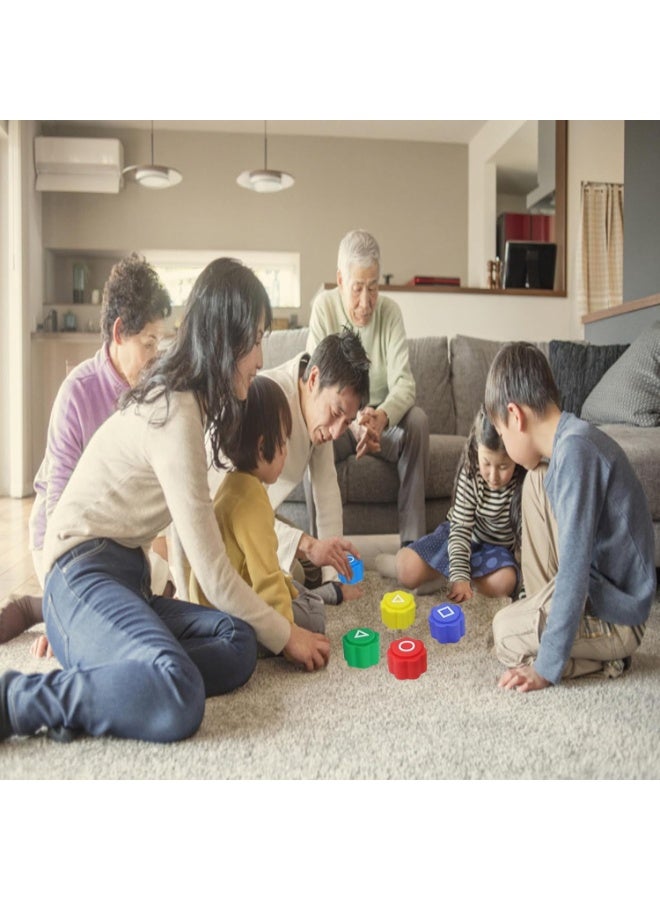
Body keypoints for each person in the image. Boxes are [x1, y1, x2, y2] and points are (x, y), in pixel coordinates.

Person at [0, 258, 330, 745]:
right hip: (80, 575)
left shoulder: (191, 405)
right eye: (257, 339)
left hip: (126, 578)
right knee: (180, 695)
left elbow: (184, 530)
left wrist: (267, 630)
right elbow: (215, 573)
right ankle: (19, 700)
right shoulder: (175, 412)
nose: (261, 358)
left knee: (238, 641)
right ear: (228, 338)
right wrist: (289, 634)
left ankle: (117, 678)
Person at [0, 253, 173, 655]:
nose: (156, 354)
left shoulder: (151, 392)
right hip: (65, 533)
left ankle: (43, 606)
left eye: (160, 342)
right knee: (109, 614)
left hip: (120, 532)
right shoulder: (77, 393)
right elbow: (58, 512)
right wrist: (64, 599)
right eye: (148, 342)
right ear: (118, 333)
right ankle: (41, 605)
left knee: (161, 588)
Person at [484, 341, 656, 692]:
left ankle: (602, 657)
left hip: (616, 617)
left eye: (502, 433)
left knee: (504, 635)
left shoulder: (577, 454)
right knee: (535, 479)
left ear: (515, 416)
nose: (506, 445)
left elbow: (575, 569)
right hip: (595, 590)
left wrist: (545, 667)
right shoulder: (568, 443)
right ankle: (544, 616)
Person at [185, 327, 371, 599]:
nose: (335, 432)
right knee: (289, 579)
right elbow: (220, 504)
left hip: (259, 516)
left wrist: (336, 577)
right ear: (314, 378)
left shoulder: (320, 420)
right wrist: (306, 545)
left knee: (301, 572)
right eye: (335, 413)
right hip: (220, 523)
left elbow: (327, 492)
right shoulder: (264, 400)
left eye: (347, 423)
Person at [190, 376, 361, 633]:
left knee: (294, 585)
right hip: (226, 615)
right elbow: (268, 580)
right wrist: (289, 636)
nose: (286, 451)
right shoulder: (253, 502)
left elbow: (267, 569)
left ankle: (327, 592)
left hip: (219, 602)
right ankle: (326, 595)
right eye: (283, 442)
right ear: (262, 448)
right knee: (314, 618)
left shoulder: (236, 484)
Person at [306, 229, 429, 547]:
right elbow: (315, 384)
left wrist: (380, 418)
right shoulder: (324, 308)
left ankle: (412, 547)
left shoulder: (390, 312)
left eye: (373, 288)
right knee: (311, 431)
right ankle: (317, 550)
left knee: (417, 421)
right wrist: (352, 423)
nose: (366, 301)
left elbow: (404, 383)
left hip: (381, 429)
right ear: (341, 280)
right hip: (340, 428)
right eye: (358, 288)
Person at [377, 405, 525, 601]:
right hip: (461, 537)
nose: (493, 476)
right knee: (406, 568)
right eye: (487, 463)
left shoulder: (523, 481)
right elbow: (461, 530)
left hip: (496, 552)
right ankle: (439, 573)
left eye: (503, 466)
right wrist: (460, 575)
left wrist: (523, 591)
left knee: (505, 582)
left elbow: (528, 545)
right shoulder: (471, 471)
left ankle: (443, 577)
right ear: (476, 448)